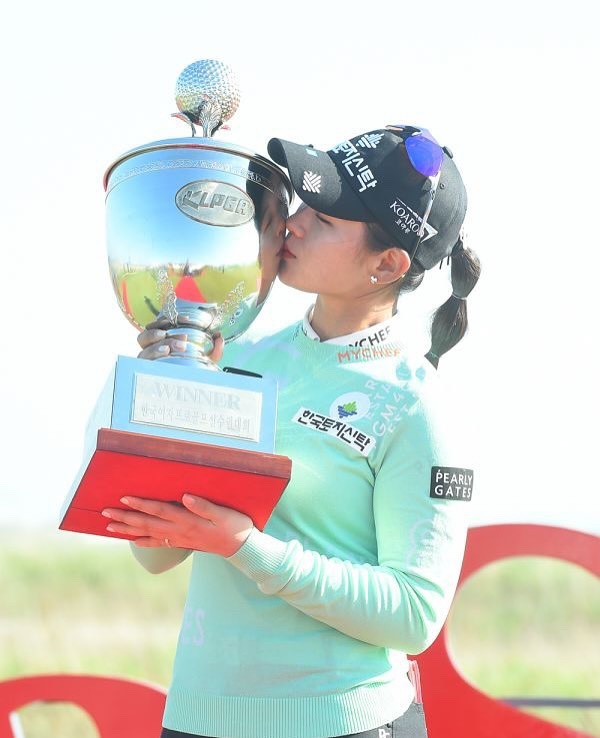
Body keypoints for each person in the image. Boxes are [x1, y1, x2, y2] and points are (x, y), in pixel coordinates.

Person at [101, 124, 481, 738]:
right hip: (197, 718)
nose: (292, 225)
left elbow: (414, 615)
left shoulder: (416, 404)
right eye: (303, 205)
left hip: (342, 724)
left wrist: (246, 547)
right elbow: (154, 556)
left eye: (324, 219)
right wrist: (163, 411)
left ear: (387, 263)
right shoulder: (235, 358)